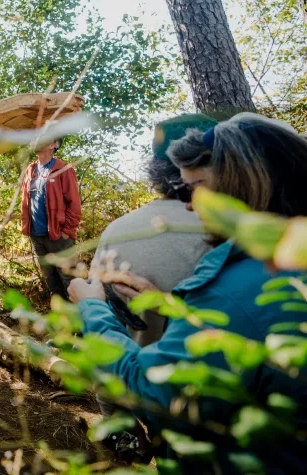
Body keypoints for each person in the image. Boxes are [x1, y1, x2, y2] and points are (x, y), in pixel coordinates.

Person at [69, 113, 307, 472]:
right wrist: (169, 306)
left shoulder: (234, 285)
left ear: (237, 185)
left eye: (194, 188)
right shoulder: (285, 258)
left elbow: (154, 390)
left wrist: (92, 308)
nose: (190, 206)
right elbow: (246, 337)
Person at [90, 116, 215, 347]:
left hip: (134, 364)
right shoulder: (245, 233)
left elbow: (100, 310)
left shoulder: (117, 230)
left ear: (156, 168)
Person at [20, 138, 81, 299]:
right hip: (37, 235)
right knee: (50, 279)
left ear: (53, 145)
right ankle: (59, 310)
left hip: (58, 235)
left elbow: (74, 203)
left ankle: (80, 312)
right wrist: (26, 226)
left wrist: (67, 231)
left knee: (69, 278)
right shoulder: (31, 169)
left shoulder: (63, 169)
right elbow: (25, 200)